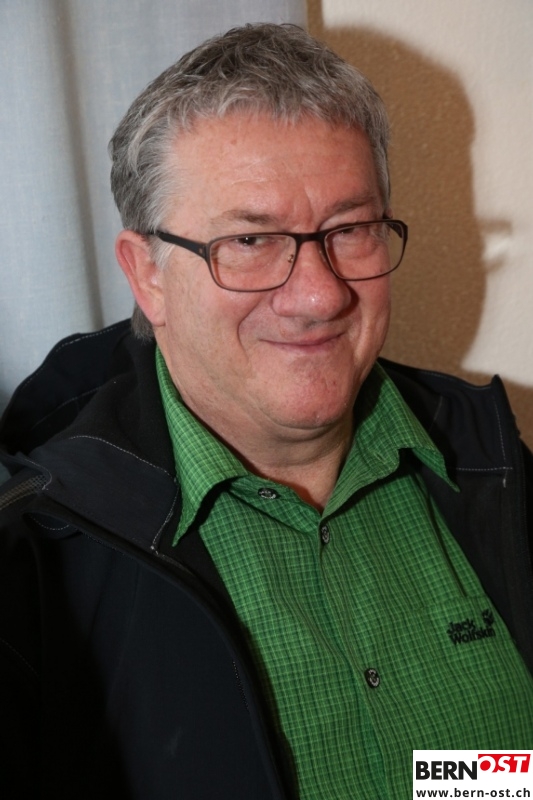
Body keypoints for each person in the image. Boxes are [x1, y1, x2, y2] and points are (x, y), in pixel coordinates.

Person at [0, 22, 532, 800]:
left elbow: (496, 772)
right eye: (250, 241)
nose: (318, 295)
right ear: (147, 276)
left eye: (349, 230)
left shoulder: (493, 467)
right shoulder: (42, 557)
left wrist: (471, 781)